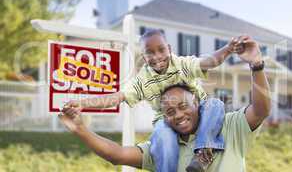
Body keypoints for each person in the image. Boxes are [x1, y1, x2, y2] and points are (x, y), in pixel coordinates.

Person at [60, 35, 271, 172]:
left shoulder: (228, 126)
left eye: (161, 50)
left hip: (207, 112)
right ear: (143, 56)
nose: (157, 57)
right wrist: (83, 107)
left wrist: (233, 52)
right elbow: (116, 99)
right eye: (150, 53)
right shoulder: (143, 81)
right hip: (163, 124)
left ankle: (203, 152)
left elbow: (210, 61)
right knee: (161, 132)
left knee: (215, 104)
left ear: (169, 48)